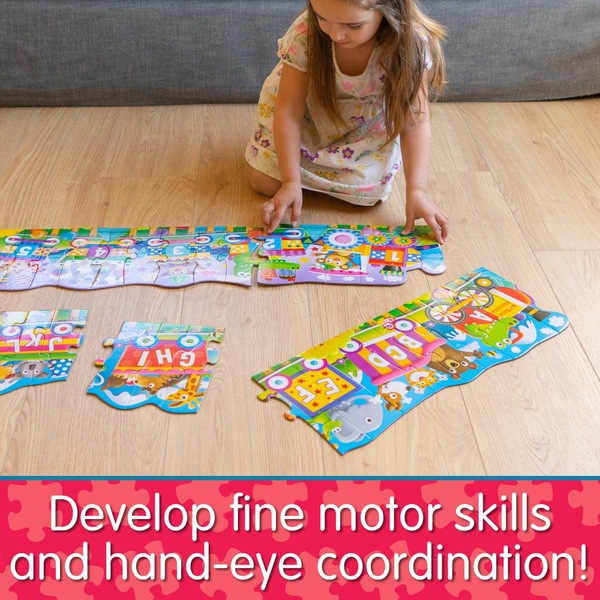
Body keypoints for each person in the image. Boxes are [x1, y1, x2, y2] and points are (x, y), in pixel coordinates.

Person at [245, 0, 449, 243]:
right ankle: (304, 180)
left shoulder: (410, 44)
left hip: (362, 127)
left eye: (353, 26)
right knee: (263, 181)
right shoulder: (306, 31)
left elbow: (415, 122)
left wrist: (417, 191)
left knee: (367, 195)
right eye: (322, 18)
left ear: (389, 9)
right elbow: (289, 109)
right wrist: (290, 181)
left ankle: (314, 179)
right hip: (310, 116)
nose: (335, 35)